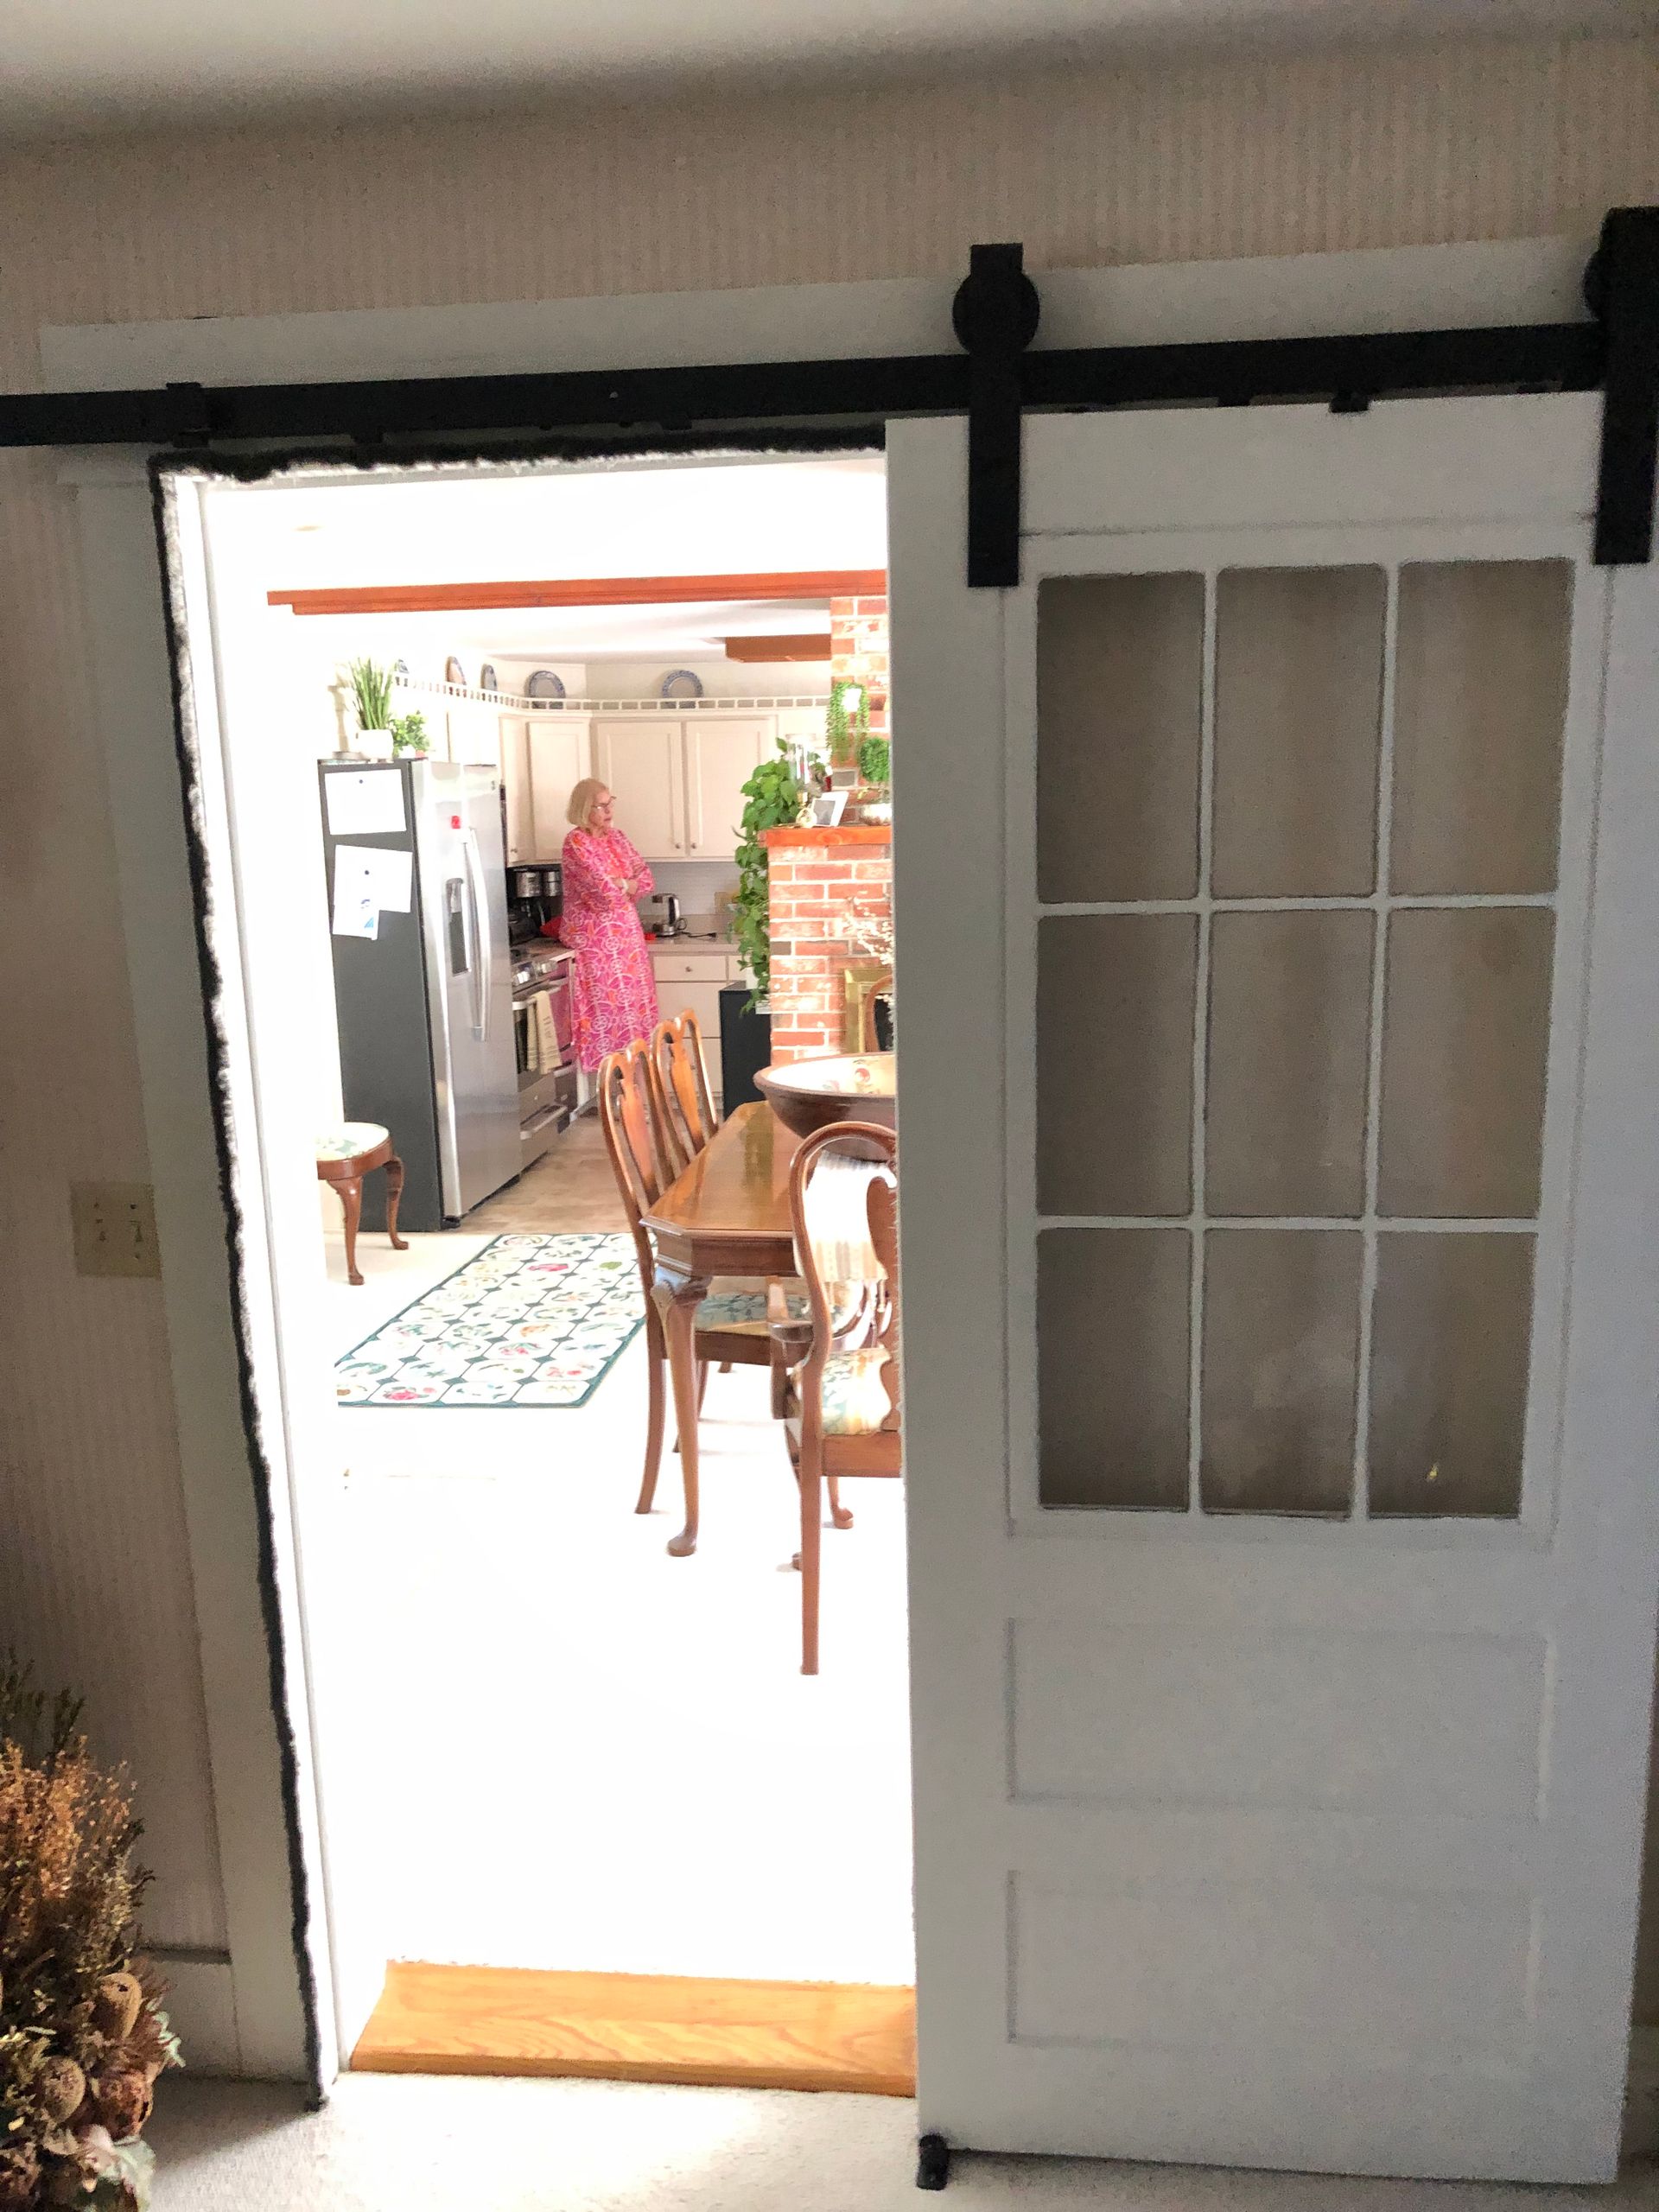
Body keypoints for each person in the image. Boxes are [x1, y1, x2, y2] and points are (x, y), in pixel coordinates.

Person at [558, 779, 662, 1071]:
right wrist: (626, 886)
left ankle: (637, 1096)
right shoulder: (576, 842)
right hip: (597, 944)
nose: (608, 810)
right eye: (600, 805)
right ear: (583, 808)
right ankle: (614, 1093)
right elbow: (602, 895)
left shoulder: (618, 838)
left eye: (610, 803)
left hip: (628, 940)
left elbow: (647, 880)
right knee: (608, 1014)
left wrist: (623, 884)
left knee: (635, 1016)